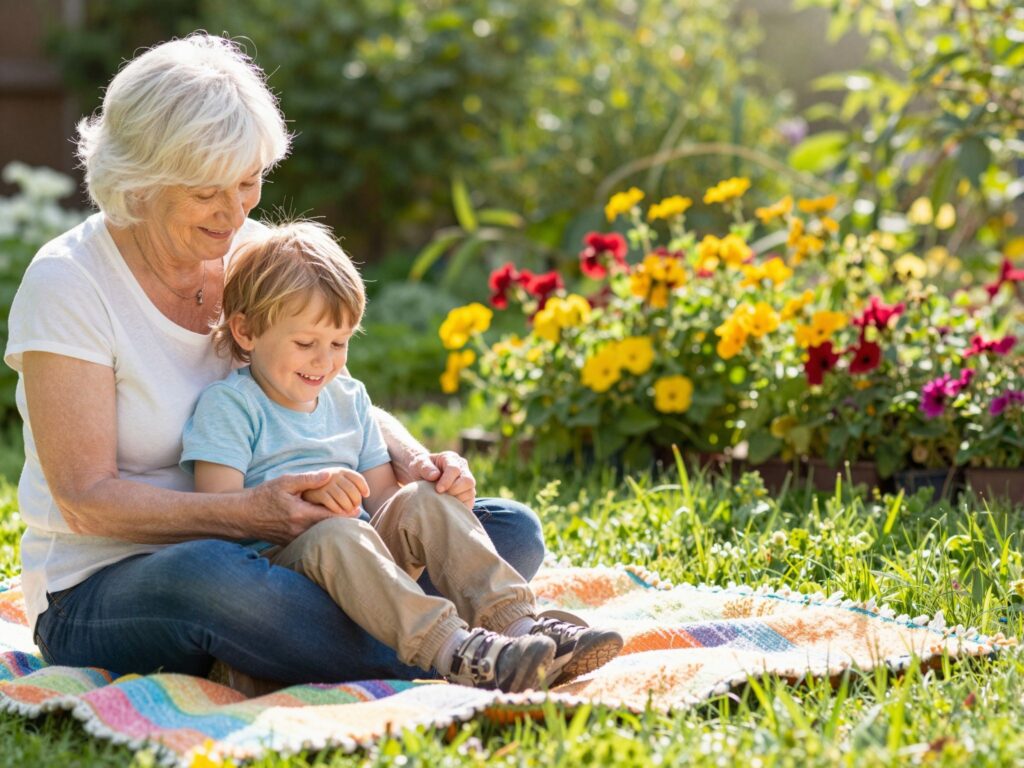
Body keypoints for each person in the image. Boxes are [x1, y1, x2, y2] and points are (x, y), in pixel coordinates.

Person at [2, 33, 546, 686]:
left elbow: (330, 386)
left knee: (507, 530)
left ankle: (305, 644)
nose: (235, 213)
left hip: (287, 551)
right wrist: (248, 512)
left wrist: (413, 462)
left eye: (249, 181)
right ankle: (449, 641)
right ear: (140, 180)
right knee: (221, 584)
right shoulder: (69, 282)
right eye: (209, 191)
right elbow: (86, 500)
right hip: (117, 583)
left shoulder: (252, 253)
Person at [181, 221, 624, 692]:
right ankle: (457, 651)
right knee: (338, 535)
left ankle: (519, 628)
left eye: (339, 343)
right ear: (246, 331)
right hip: (284, 579)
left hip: (365, 564)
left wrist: (440, 496)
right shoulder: (231, 405)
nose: (324, 361)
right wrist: (310, 501)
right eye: (306, 344)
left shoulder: (349, 399)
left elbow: (390, 504)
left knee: (423, 499)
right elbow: (220, 520)